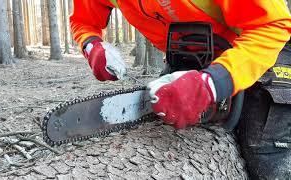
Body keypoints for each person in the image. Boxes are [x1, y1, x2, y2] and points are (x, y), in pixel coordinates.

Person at [70, 0, 291, 179]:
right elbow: (83, 20)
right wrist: (92, 46)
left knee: (266, 158)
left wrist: (214, 83)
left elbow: (274, 25)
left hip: (262, 50)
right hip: (189, 52)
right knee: (164, 116)